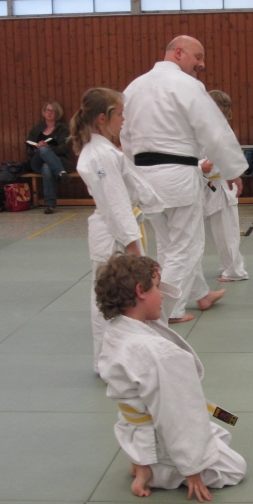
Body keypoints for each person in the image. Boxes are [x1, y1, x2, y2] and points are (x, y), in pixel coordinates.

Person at [95, 253, 246, 499]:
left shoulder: (119, 330)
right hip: (157, 434)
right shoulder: (157, 353)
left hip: (136, 428)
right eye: (157, 287)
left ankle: (142, 460)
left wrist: (149, 276)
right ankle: (156, 470)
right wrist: (191, 467)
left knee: (219, 434)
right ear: (140, 291)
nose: (163, 294)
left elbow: (156, 311)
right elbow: (176, 414)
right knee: (234, 468)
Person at [121, 35, 248, 323]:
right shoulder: (187, 85)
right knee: (186, 247)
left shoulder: (134, 87)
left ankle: (201, 295)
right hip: (177, 176)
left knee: (169, 244)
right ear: (179, 52)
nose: (201, 65)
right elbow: (214, 130)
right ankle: (167, 310)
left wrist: (132, 175)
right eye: (198, 57)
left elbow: (125, 137)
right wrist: (233, 171)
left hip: (145, 178)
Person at [70, 88, 164, 374]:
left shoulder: (103, 151)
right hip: (114, 235)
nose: (124, 119)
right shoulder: (100, 155)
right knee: (113, 300)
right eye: (120, 114)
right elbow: (115, 203)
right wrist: (133, 248)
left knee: (122, 297)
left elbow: (129, 191)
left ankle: (117, 358)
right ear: (102, 118)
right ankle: (108, 362)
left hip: (118, 230)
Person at [201, 90, 248, 282]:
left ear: (220, 109)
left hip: (221, 186)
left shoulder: (220, 131)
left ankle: (236, 270)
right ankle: (229, 264)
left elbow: (221, 161)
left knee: (226, 233)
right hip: (209, 186)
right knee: (216, 234)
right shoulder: (208, 128)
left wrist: (202, 166)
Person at [25, 101, 72, 214]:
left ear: (57, 113)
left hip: (58, 160)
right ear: (44, 112)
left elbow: (64, 148)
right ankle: (60, 172)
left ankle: (49, 205)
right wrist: (36, 149)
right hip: (37, 161)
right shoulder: (37, 128)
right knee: (42, 150)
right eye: (48, 110)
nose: (49, 113)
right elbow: (28, 149)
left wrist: (48, 147)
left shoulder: (62, 129)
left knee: (47, 166)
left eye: (53, 111)